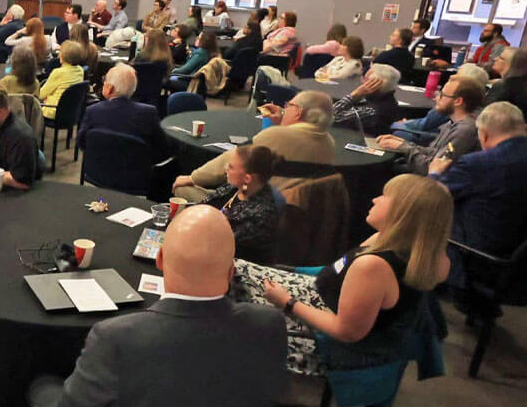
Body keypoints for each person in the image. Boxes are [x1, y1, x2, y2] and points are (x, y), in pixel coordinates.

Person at [27, 206, 285, 407]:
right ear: (232, 272)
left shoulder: (116, 337)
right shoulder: (271, 325)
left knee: (43, 389)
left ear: (160, 260)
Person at [232, 174, 452, 375]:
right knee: (233, 269)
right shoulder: (421, 254)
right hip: (318, 296)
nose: (375, 199)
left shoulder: (372, 267)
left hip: (327, 345)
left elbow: (346, 332)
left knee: (230, 314)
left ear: (404, 214)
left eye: (385, 196)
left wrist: (287, 302)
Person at [429, 101, 527, 260]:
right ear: (524, 129)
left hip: (475, 257)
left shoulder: (476, 164)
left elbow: (433, 198)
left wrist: (434, 174)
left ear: (483, 135)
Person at [174, 91, 336, 200]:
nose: (284, 109)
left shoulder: (276, 136)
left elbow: (231, 162)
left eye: (289, 106)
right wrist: (280, 124)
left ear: (298, 112)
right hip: (295, 210)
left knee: (181, 189)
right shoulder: (329, 143)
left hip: (253, 206)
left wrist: (192, 177)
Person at [376, 76, 484, 175]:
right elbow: (432, 153)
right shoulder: (453, 123)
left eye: (442, 95)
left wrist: (404, 148)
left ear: (458, 101)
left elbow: (430, 169)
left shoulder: (464, 130)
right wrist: (402, 143)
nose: (436, 98)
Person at [200, 144, 281, 264]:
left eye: (231, 167)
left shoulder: (261, 215)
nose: (226, 169)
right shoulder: (235, 187)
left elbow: (221, 245)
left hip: (230, 265)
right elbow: (203, 205)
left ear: (247, 178)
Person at [76, 63, 167, 156]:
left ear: (109, 88)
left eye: (104, 81)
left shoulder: (92, 111)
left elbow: (82, 142)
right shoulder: (149, 112)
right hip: (136, 167)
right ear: (134, 89)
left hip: (99, 165)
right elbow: (162, 144)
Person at [331, 62, 401, 135]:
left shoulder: (370, 110)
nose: (361, 80)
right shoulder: (388, 99)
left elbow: (329, 117)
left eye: (364, 78)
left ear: (372, 84)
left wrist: (354, 95)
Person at [39, 41, 86, 119]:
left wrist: (47, 99)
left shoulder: (58, 72)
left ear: (63, 55)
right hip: (72, 112)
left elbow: (40, 95)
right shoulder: (80, 70)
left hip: (54, 111)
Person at [486, 47, 527, 119]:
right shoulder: (523, 85)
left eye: (501, 58)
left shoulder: (503, 87)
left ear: (512, 65)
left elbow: (485, 115)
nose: (495, 59)